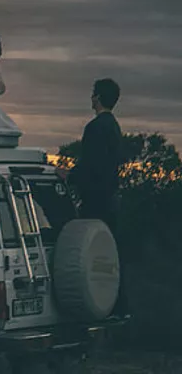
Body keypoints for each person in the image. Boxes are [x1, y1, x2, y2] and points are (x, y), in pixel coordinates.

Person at [68, 78, 128, 317]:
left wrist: (70, 175)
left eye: (94, 94)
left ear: (99, 98)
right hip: (109, 198)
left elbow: (91, 165)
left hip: (95, 200)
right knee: (109, 253)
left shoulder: (95, 127)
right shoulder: (113, 126)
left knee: (88, 253)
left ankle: (97, 305)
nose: (91, 98)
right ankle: (117, 305)